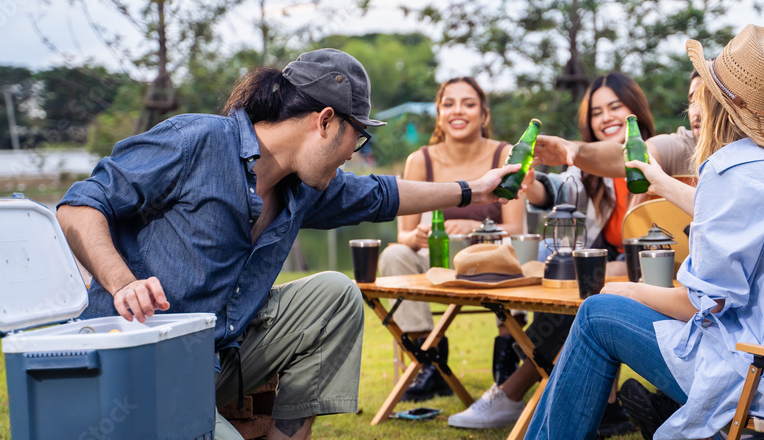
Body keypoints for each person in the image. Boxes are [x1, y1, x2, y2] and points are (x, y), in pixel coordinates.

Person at [55, 49, 519, 440]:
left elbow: (384, 193)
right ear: (325, 121)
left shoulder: (306, 188)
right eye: (356, 140)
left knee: (334, 295)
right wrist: (121, 282)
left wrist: (474, 190)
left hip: (217, 363)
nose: (351, 155)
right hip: (143, 368)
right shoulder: (194, 140)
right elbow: (77, 207)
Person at [523, 25, 764, 439]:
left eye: (699, 96)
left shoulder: (731, 169)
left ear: (715, 106)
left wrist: (627, 291)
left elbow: (703, 303)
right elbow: (739, 223)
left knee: (596, 315)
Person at [448, 71, 700, 436]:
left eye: (616, 107)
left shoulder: (666, 154)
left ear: (636, 111)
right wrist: (532, 185)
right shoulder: (588, 175)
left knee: (586, 288)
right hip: (613, 273)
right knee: (577, 282)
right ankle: (604, 403)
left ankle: (513, 389)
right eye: (597, 112)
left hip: (662, 275)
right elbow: (553, 189)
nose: (607, 117)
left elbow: (629, 160)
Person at [377, 76, 527, 402]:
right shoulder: (420, 160)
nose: (458, 111)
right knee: (393, 254)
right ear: (439, 113)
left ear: (484, 115)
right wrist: (416, 236)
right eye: (449, 104)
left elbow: (516, 229)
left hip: (493, 261)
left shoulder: (506, 155)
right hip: (438, 258)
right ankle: (430, 358)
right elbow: (404, 233)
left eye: (468, 104)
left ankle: (507, 357)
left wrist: (473, 232)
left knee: (523, 252)